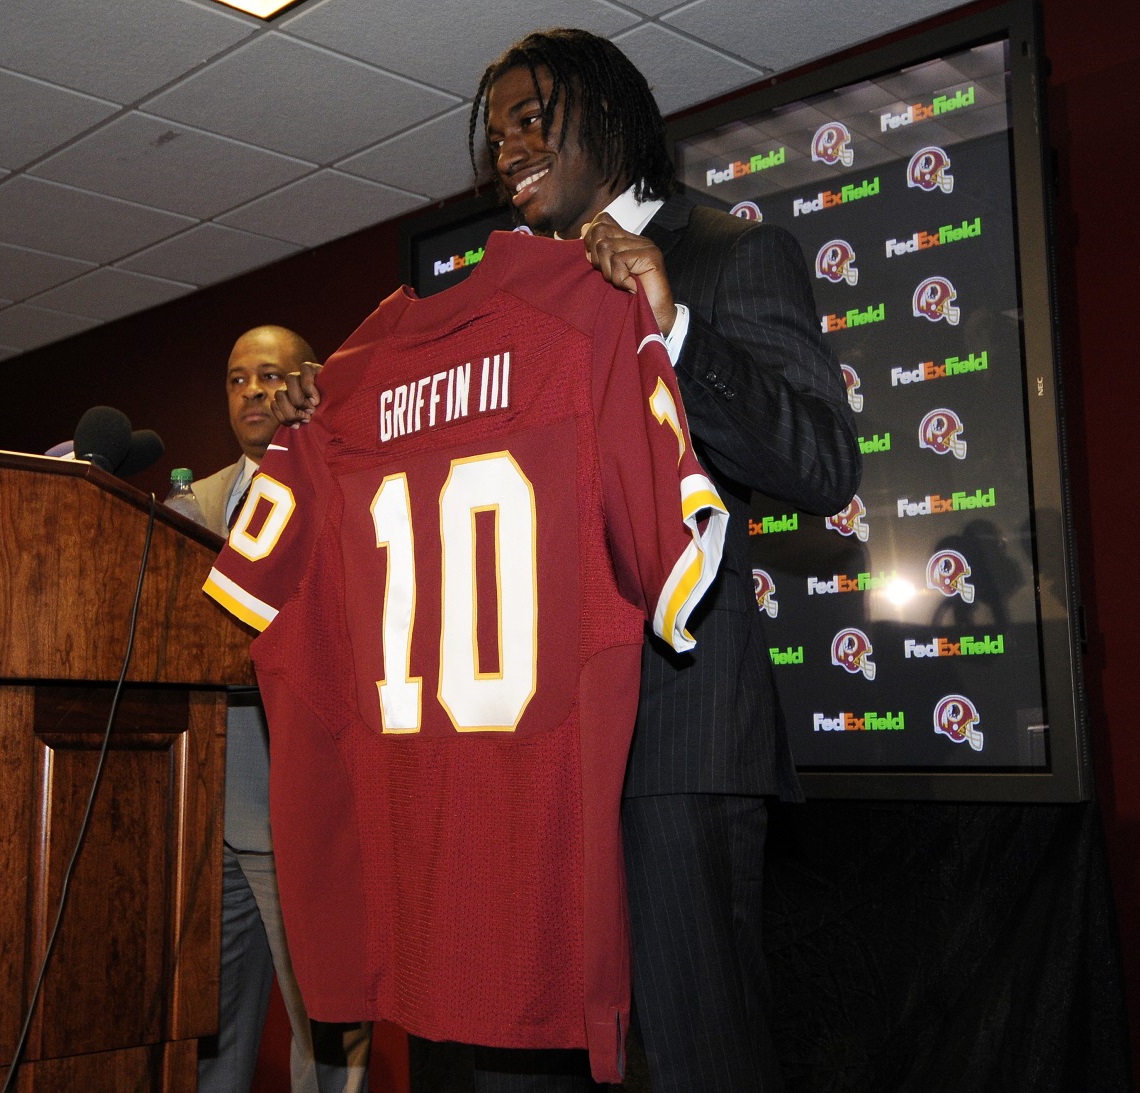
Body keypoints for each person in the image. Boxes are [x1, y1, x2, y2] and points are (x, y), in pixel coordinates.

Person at [274, 30, 861, 1093]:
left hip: (676, 745)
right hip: (531, 755)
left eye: (534, 118)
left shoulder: (729, 253)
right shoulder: (508, 305)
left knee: (694, 1053)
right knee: (524, 1047)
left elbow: (821, 463)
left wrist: (673, 325)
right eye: (496, 133)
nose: (510, 148)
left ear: (616, 118)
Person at [194, 325, 373, 1093]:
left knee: (325, 1027)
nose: (253, 393)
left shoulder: (342, 480)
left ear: (306, 380)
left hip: (304, 807)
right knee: (213, 1028)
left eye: (270, 376)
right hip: (207, 811)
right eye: (237, 380)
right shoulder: (190, 503)